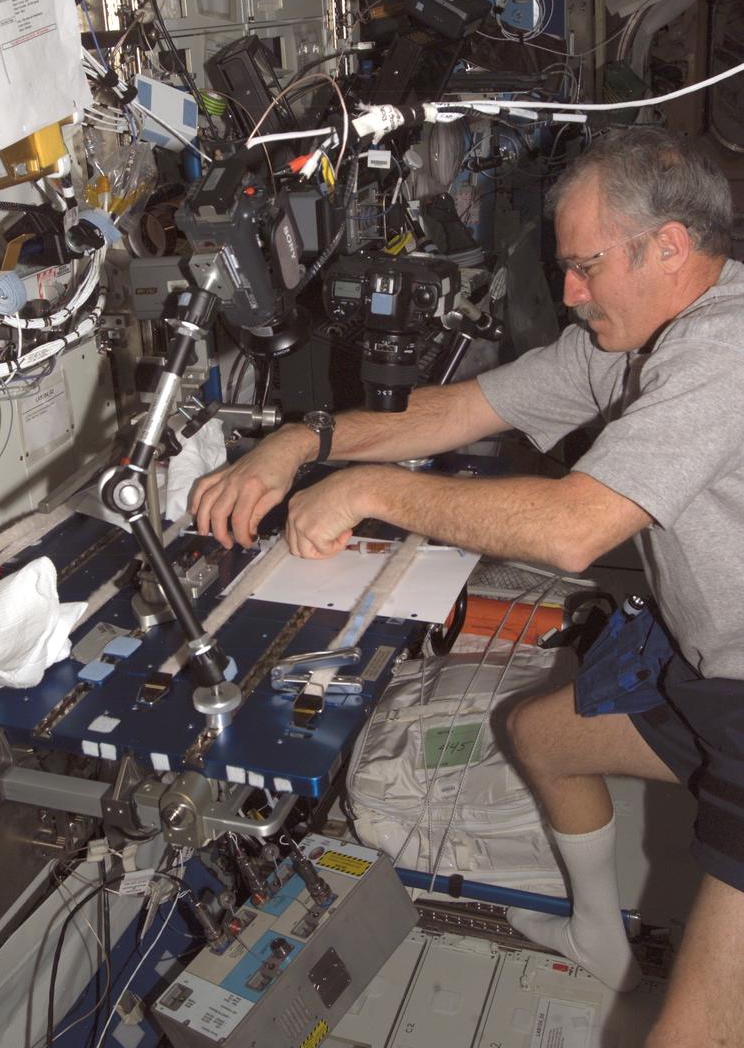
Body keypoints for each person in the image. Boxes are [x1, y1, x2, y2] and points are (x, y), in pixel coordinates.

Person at [192, 127, 744, 1046]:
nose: (567, 293)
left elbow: (574, 529)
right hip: (704, 670)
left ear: (670, 248)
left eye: (583, 266)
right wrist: (301, 444)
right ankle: (599, 938)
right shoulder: (628, 341)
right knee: (539, 734)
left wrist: (370, 490)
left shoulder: (724, 351)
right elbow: (456, 410)